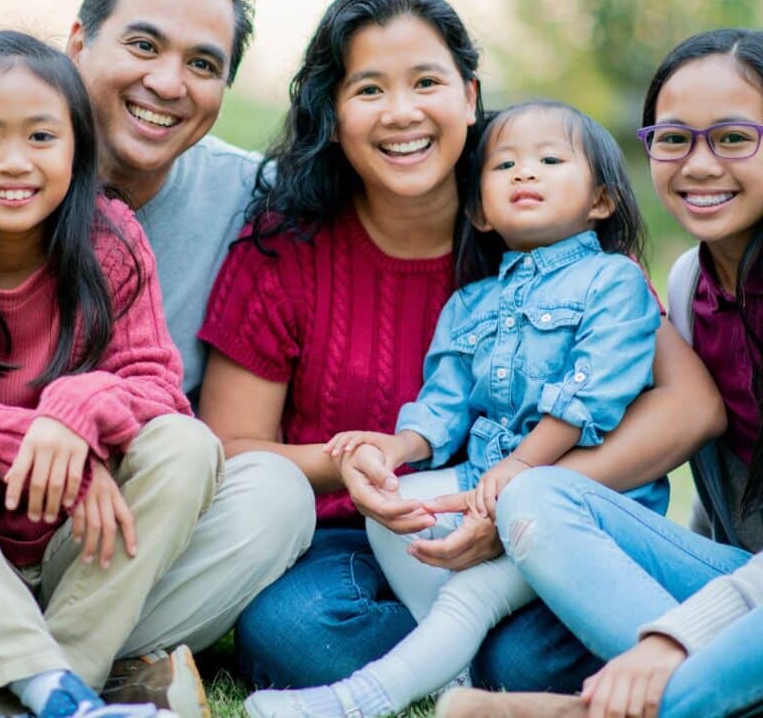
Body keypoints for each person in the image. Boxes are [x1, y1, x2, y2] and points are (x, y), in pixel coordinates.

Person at [197, 0, 724, 694]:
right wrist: (355, 460)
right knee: (296, 628)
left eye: (426, 82)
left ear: (468, 96)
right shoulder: (284, 247)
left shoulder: (551, 228)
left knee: (526, 656)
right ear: (335, 110)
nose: (402, 113)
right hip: (360, 533)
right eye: (369, 89)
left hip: (538, 515)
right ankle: (467, 669)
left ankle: (465, 667)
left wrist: (520, 502)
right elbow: (232, 449)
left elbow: (691, 407)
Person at [243, 99, 664, 718]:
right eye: (505, 166)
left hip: (583, 506)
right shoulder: (472, 303)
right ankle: (452, 669)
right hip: (490, 481)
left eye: (550, 160)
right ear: (478, 211)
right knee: (394, 511)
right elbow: (444, 401)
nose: (526, 174)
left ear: (601, 201)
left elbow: (590, 394)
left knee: (473, 599)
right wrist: (399, 448)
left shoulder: (613, 282)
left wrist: (520, 468)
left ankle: (360, 698)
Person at [435, 28, 763, 718]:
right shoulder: (684, 285)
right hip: (740, 583)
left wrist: (673, 638)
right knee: (537, 498)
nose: (699, 164)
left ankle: (573, 713)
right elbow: (713, 508)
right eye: (674, 139)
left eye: (734, 137)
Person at [63, 0, 315, 715]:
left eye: (203, 65)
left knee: (274, 493)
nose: (167, 83)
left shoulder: (252, 200)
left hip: (122, 538)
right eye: (143, 44)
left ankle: (35, 667)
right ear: (79, 42)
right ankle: (89, 672)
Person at [0, 30, 215, 718]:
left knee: (188, 446)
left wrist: (77, 404)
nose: (14, 162)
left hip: (75, 550)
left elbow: (159, 387)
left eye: (41, 138)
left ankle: (46, 686)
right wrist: (58, 454)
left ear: (77, 151)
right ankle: (44, 687)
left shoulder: (110, 238)